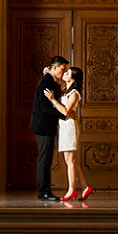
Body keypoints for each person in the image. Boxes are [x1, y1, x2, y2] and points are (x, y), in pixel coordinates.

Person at [46, 66, 92, 203]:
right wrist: (48, 73)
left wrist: (53, 100)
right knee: (69, 160)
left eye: (67, 73)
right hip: (64, 126)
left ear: (73, 78)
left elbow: (65, 111)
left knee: (70, 161)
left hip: (69, 127)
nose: (64, 74)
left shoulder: (75, 93)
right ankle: (85, 187)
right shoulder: (66, 91)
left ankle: (72, 189)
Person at [28, 56, 68, 203]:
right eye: (62, 69)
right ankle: (44, 191)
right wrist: (64, 115)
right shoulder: (47, 80)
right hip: (44, 125)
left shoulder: (49, 79)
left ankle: (45, 190)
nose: (63, 73)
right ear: (55, 67)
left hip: (45, 125)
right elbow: (45, 107)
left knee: (46, 159)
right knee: (44, 159)